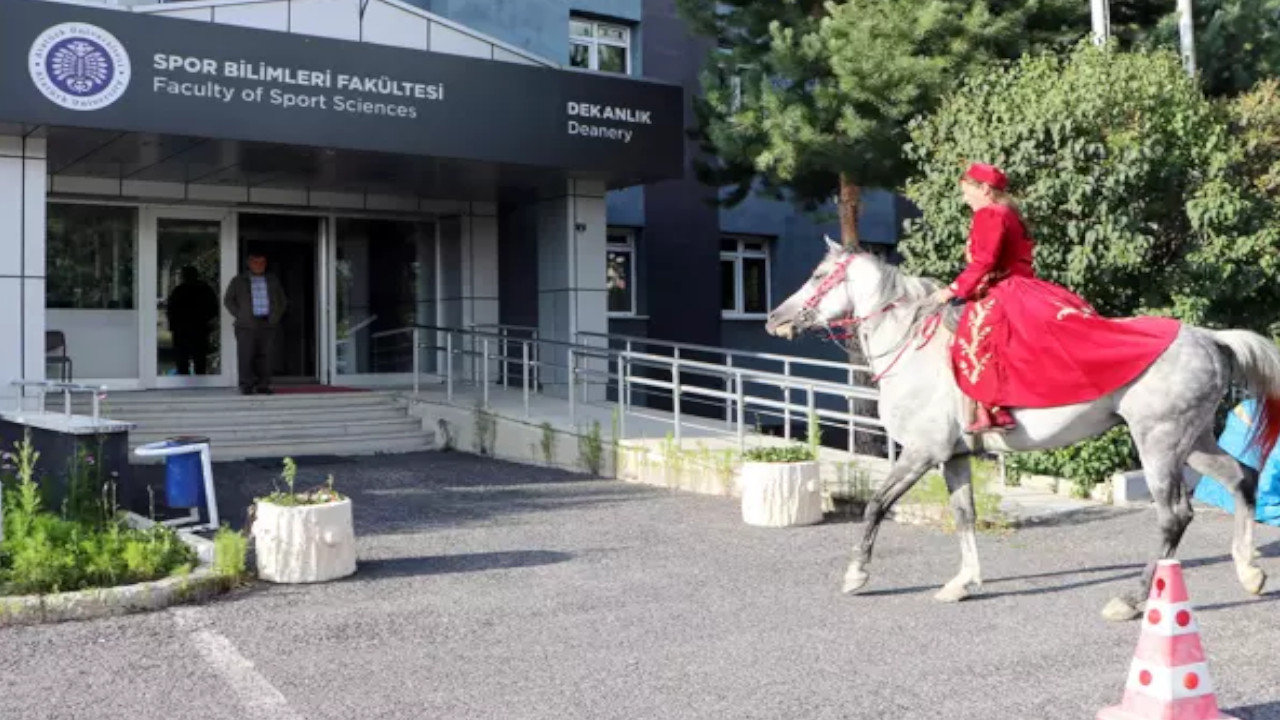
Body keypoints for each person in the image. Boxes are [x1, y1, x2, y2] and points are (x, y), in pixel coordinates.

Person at [928, 163, 1181, 434]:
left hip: (1004, 288)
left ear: (985, 190)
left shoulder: (989, 214)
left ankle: (993, 410)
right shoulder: (1009, 213)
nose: (965, 198)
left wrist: (952, 289)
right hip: (1022, 285)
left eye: (968, 192)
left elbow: (984, 262)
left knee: (974, 331)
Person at [223, 252, 287, 395]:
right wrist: (240, 314)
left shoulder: (272, 280)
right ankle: (246, 385)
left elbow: (282, 301)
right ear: (249, 263)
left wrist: (275, 317)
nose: (259, 265)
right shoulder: (239, 280)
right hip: (246, 325)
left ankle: (264, 384)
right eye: (256, 262)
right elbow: (228, 300)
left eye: (262, 262)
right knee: (246, 355)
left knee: (266, 355)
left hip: (267, 323)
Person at [165, 265, 220, 375]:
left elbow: (171, 310)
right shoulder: (205, 289)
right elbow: (214, 309)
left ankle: (185, 378)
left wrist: (173, 327)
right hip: (196, 329)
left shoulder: (179, 290)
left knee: (185, 358)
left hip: (187, 329)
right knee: (198, 357)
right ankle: (198, 378)